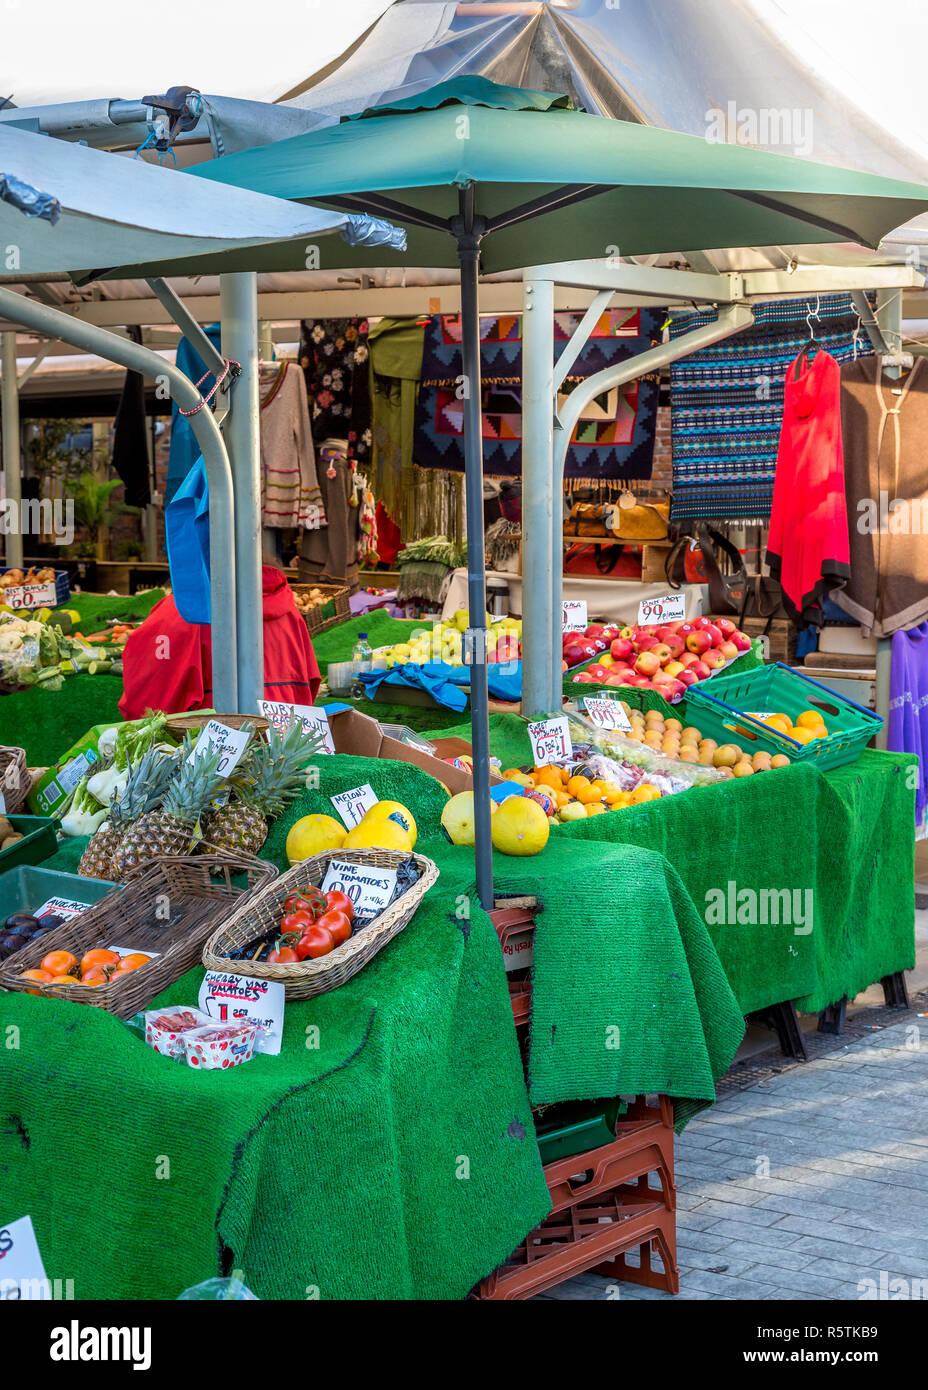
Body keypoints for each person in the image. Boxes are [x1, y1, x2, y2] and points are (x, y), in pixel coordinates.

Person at [119, 564, 321, 719]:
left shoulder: (182, 611)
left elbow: (147, 707)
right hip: (284, 744)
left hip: (211, 747)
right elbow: (311, 682)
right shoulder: (291, 613)